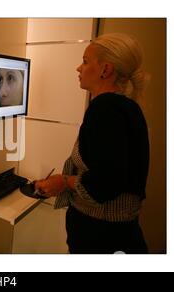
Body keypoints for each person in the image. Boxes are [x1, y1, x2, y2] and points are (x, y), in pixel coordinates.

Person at [34, 33, 149, 254]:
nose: (79, 68)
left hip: (101, 237)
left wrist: (64, 181)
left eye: (85, 61)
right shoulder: (128, 107)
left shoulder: (105, 109)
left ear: (105, 70)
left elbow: (105, 184)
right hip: (120, 232)